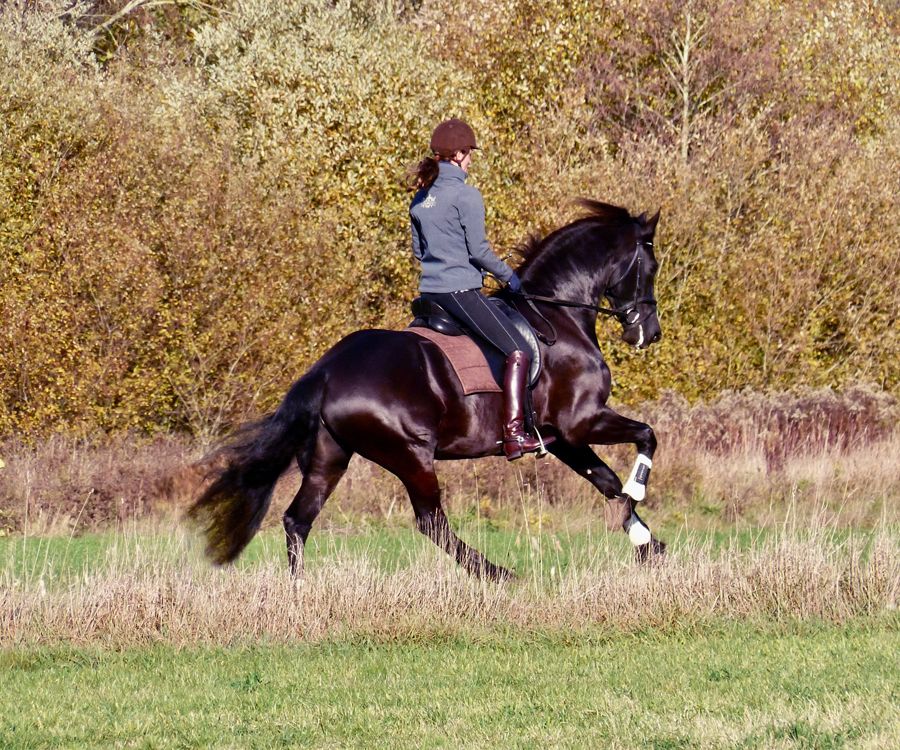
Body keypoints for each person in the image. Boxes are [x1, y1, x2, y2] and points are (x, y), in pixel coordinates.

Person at [408, 118, 553, 461]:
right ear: (457, 155)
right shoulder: (466, 196)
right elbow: (479, 252)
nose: (471, 159)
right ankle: (515, 434)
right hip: (461, 293)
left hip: (430, 295)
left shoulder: (420, 198)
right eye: (469, 153)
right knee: (518, 350)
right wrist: (510, 278)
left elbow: (418, 251)